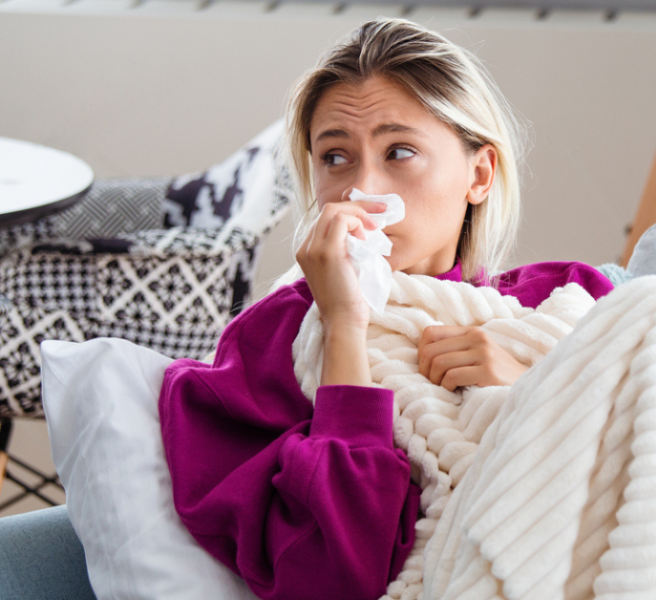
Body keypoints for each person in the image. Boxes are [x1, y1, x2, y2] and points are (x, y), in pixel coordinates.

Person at [158, 18, 615, 600]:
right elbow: (334, 580)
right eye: (335, 158)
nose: (361, 191)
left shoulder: (562, 301)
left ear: (479, 175)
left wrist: (536, 389)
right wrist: (345, 326)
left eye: (399, 152)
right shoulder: (255, 358)